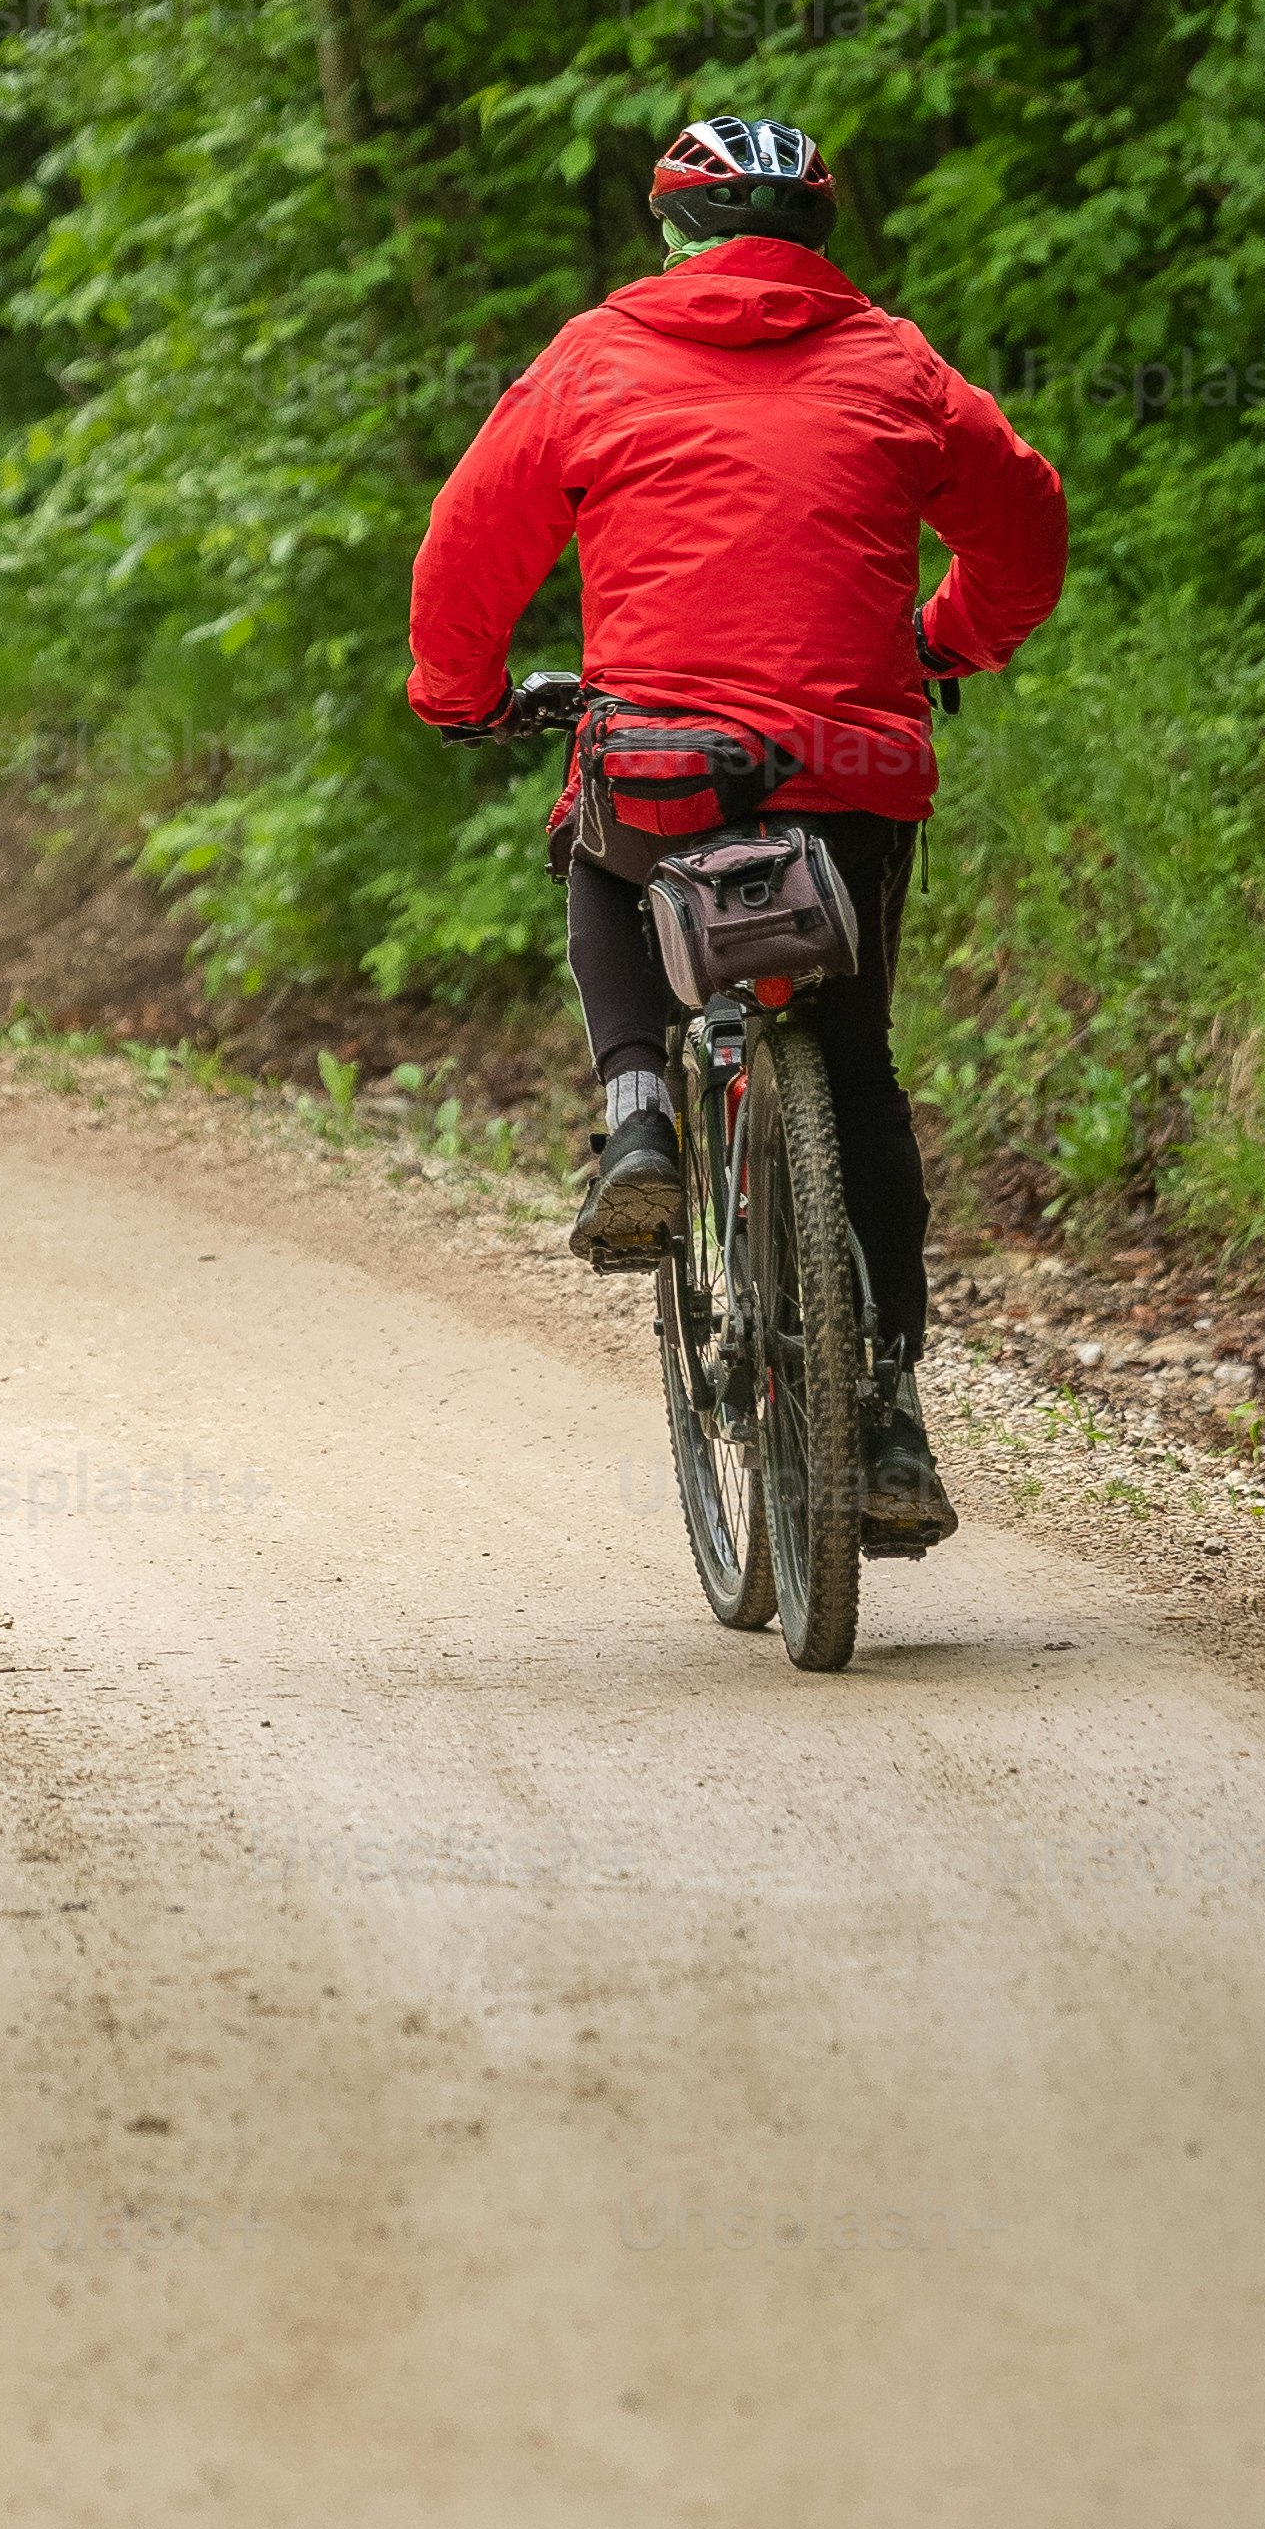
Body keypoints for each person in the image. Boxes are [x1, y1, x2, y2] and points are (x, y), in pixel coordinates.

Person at [402, 113, 1066, 1551]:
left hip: (663, 765)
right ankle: (886, 1406)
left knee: (595, 849)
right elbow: (1026, 520)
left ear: (672, 236)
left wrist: (457, 696)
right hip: (853, 769)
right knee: (862, 1060)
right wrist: (948, 645)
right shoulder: (898, 363)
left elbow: (470, 536)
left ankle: (638, 1114)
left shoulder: (590, 358)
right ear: (819, 238)